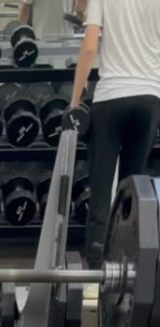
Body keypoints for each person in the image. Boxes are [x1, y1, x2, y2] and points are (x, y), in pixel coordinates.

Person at [69, 0, 160, 294]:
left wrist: (74, 101)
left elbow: (90, 47)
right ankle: (130, 271)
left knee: (101, 187)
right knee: (132, 190)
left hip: (111, 97)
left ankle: (96, 277)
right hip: (149, 97)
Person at [18, 0, 87, 38]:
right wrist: (19, 35)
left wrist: (81, 10)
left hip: (66, 38)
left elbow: (80, 9)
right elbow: (25, 10)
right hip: (41, 38)